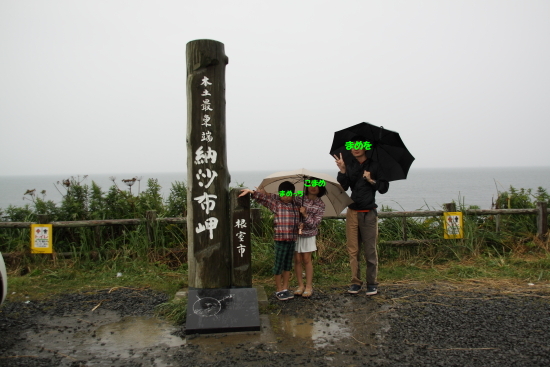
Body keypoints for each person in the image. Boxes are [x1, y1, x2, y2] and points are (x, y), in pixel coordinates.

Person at [333, 147, 389, 296]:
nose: (355, 149)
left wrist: (371, 180)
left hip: (369, 213)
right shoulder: (350, 165)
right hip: (352, 212)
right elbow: (343, 187)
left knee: (370, 250)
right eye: (352, 146)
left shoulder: (375, 166)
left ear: (365, 147)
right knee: (353, 250)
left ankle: (372, 283)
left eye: (359, 145)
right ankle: (355, 282)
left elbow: (384, 188)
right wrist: (342, 170)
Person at [239, 181, 300, 301]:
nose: (285, 196)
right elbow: (264, 199)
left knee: (288, 266)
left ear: (292, 194)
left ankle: (285, 288)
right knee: (278, 265)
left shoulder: (296, 205)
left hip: (292, 240)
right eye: (282, 193)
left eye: (288, 194)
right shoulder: (276, 204)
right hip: (280, 239)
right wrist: (252, 192)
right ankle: (278, 289)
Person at [293, 180, 326, 298]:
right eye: (310, 184)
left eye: (316, 185)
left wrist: (305, 215)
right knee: (297, 259)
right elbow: (285, 199)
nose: (313, 187)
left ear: (320, 188)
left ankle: (308, 286)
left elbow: (315, 223)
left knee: (306, 259)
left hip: (309, 234)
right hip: (296, 233)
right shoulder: (298, 198)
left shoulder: (320, 204)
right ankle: (300, 285)